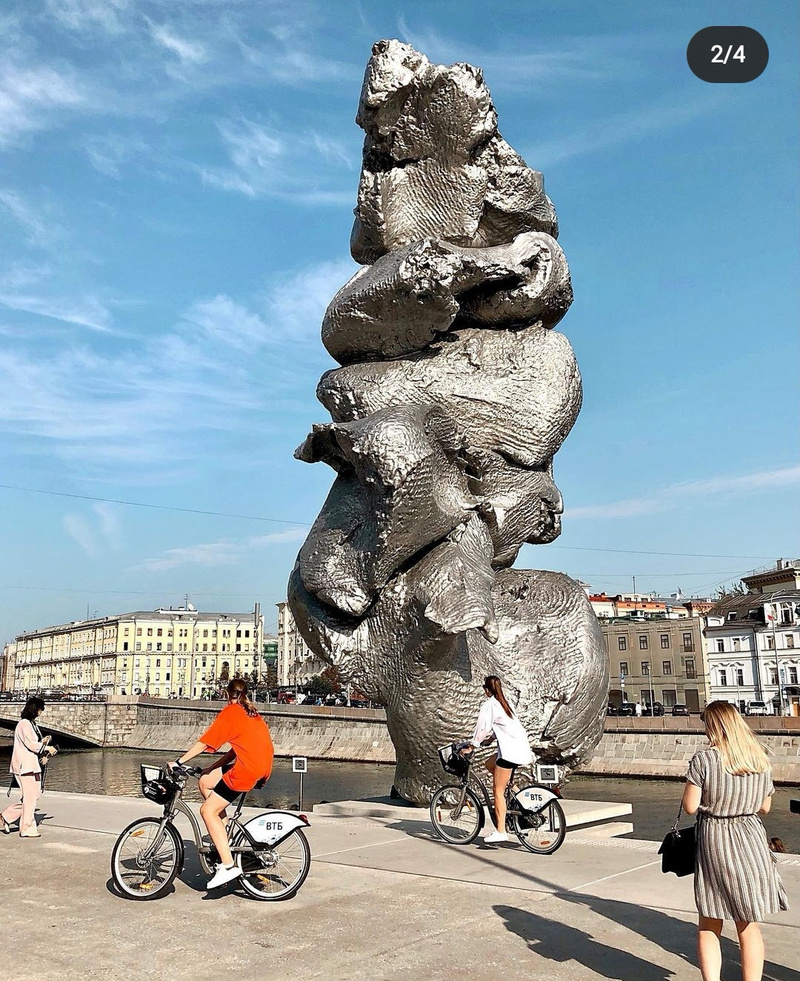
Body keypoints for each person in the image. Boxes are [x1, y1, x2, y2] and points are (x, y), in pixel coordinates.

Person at [681, 700, 788, 981]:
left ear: (713, 726)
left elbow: (690, 807)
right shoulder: (759, 758)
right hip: (751, 839)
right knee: (747, 924)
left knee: (709, 921)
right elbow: (765, 807)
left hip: (716, 839)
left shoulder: (704, 759)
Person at [172, 678, 274, 889]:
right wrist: (211, 769)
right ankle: (223, 834)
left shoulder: (231, 712)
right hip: (261, 766)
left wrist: (179, 762)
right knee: (206, 781)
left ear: (227, 694)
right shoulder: (251, 712)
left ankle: (228, 866)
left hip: (247, 770)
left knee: (207, 811)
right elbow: (235, 750)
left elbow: (205, 742)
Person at [468, 675, 533, 844]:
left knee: (497, 790)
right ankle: (517, 793)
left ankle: (501, 831)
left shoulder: (490, 705)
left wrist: (472, 746)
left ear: (486, 690)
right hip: (520, 750)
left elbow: (482, 727)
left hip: (509, 753)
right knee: (489, 764)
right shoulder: (505, 703)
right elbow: (506, 727)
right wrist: (490, 740)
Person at [2, 696, 57, 837]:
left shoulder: (31, 724)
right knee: (30, 798)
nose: (41, 712)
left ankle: (6, 817)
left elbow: (33, 742)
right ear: (35, 709)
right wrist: (47, 748)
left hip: (31, 765)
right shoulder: (24, 724)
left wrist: (43, 742)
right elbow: (30, 744)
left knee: (33, 796)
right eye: (40, 709)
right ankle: (26, 828)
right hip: (24, 766)